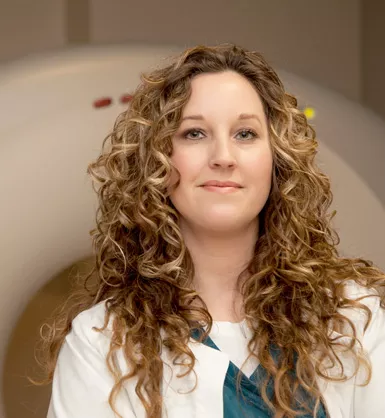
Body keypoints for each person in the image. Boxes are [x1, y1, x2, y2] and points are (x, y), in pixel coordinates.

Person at [37, 44, 385, 418]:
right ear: (159, 159)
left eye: (246, 134)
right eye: (195, 133)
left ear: (277, 158)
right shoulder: (103, 342)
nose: (223, 156)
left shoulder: (351, 317)